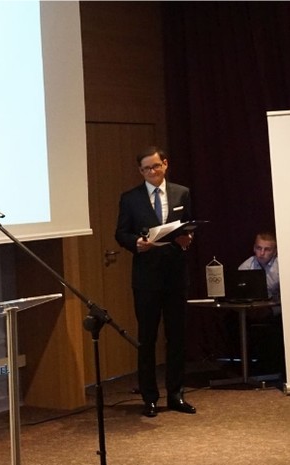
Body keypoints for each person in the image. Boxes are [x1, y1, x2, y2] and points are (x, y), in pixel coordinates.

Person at [115, 146, 196, 418]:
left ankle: (176, 394)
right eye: (146, 168)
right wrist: (135, 243)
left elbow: (188, 226)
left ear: (165, 164)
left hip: (175, 275)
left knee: (177, 337)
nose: (152, 171)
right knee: (147, 339)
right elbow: (121, 233)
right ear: (140, 171)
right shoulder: (130, 198)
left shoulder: (181, 192)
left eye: (156, 166)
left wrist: (187, 239)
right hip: (146, 277)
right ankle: (149, 397)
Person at [238, 231, 284, 374]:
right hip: (251, 310)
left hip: (277, 311)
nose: (262, 253)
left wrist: (271, 311)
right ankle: (248, 368)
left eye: (267, 249)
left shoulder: (282, 267)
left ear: (275, 251)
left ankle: (276, 367)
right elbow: (238, 294)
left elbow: (289, 298)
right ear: (254, 248)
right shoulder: (246, 267)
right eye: (259, 248)